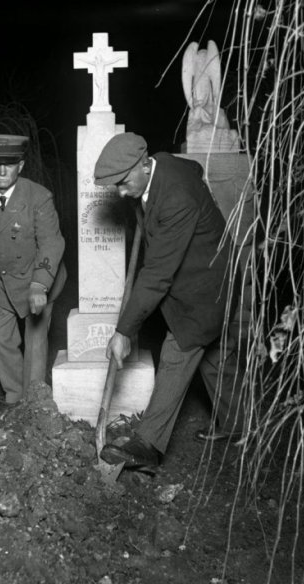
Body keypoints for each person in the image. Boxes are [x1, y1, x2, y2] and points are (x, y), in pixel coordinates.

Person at [94, 132, 245, 472]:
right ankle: (240, 425)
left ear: (144, 166)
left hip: (207, 289)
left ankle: (148, 445)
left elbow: (157, 275)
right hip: (212, 274)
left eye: (123, 183)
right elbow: (193, 168)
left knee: (178, 351)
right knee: (216, 357)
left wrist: (124, 330)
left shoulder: (176, 197)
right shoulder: (162, 165)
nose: (121, 193)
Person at [0, 134, 67, 406]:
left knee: (36, 341)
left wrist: (40, 285)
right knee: (0, 336)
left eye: (10, 164)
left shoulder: (39, 196)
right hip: (1, 280)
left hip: (38, 277)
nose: (2, 171)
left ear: (21, 165)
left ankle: (34, 401)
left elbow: (51, 243)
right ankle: (16, 398)